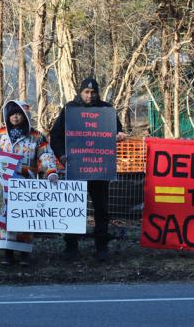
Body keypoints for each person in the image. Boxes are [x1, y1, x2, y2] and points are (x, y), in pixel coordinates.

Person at [49, 78, 126, 261]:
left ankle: (101, 246)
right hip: (76, 169)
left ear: (97, 93)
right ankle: (71, 246)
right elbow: (56, 135)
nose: (89, 96)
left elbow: (117, 131)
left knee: (101, 210)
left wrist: (120, 135)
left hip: (99, 170)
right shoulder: (69, 109)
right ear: (80, 92)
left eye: (93, 93)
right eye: (86, 92)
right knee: (73, 208)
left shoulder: (107, 110)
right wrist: (61, 155)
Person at [0, 100, 58, 266]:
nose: (15, 117)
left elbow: (45, 155)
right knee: (5, 218)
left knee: (25, 218)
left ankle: (25, 253)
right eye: (11, 114)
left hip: (27, 183)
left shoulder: (36, 136)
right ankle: (7, 253)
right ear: (7, 116)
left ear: (25, 115)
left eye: (18, 113)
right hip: (4, 182)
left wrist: (50, 172)